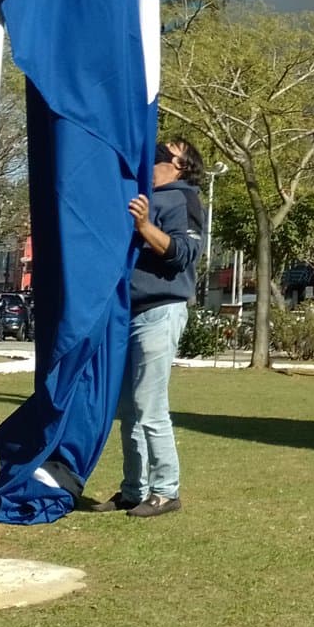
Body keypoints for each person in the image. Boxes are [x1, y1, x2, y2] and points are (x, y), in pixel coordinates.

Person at [91, 139, 204, 517]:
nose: (150, 159)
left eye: (159, 154)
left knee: (149, 405)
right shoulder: (141, 195)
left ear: (179, 164)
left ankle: (166, 490)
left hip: (161, 310)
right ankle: (133, 489)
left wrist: (143, 226)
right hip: (129, 312)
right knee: (129, 408)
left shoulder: (183, 199)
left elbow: (184, 255)